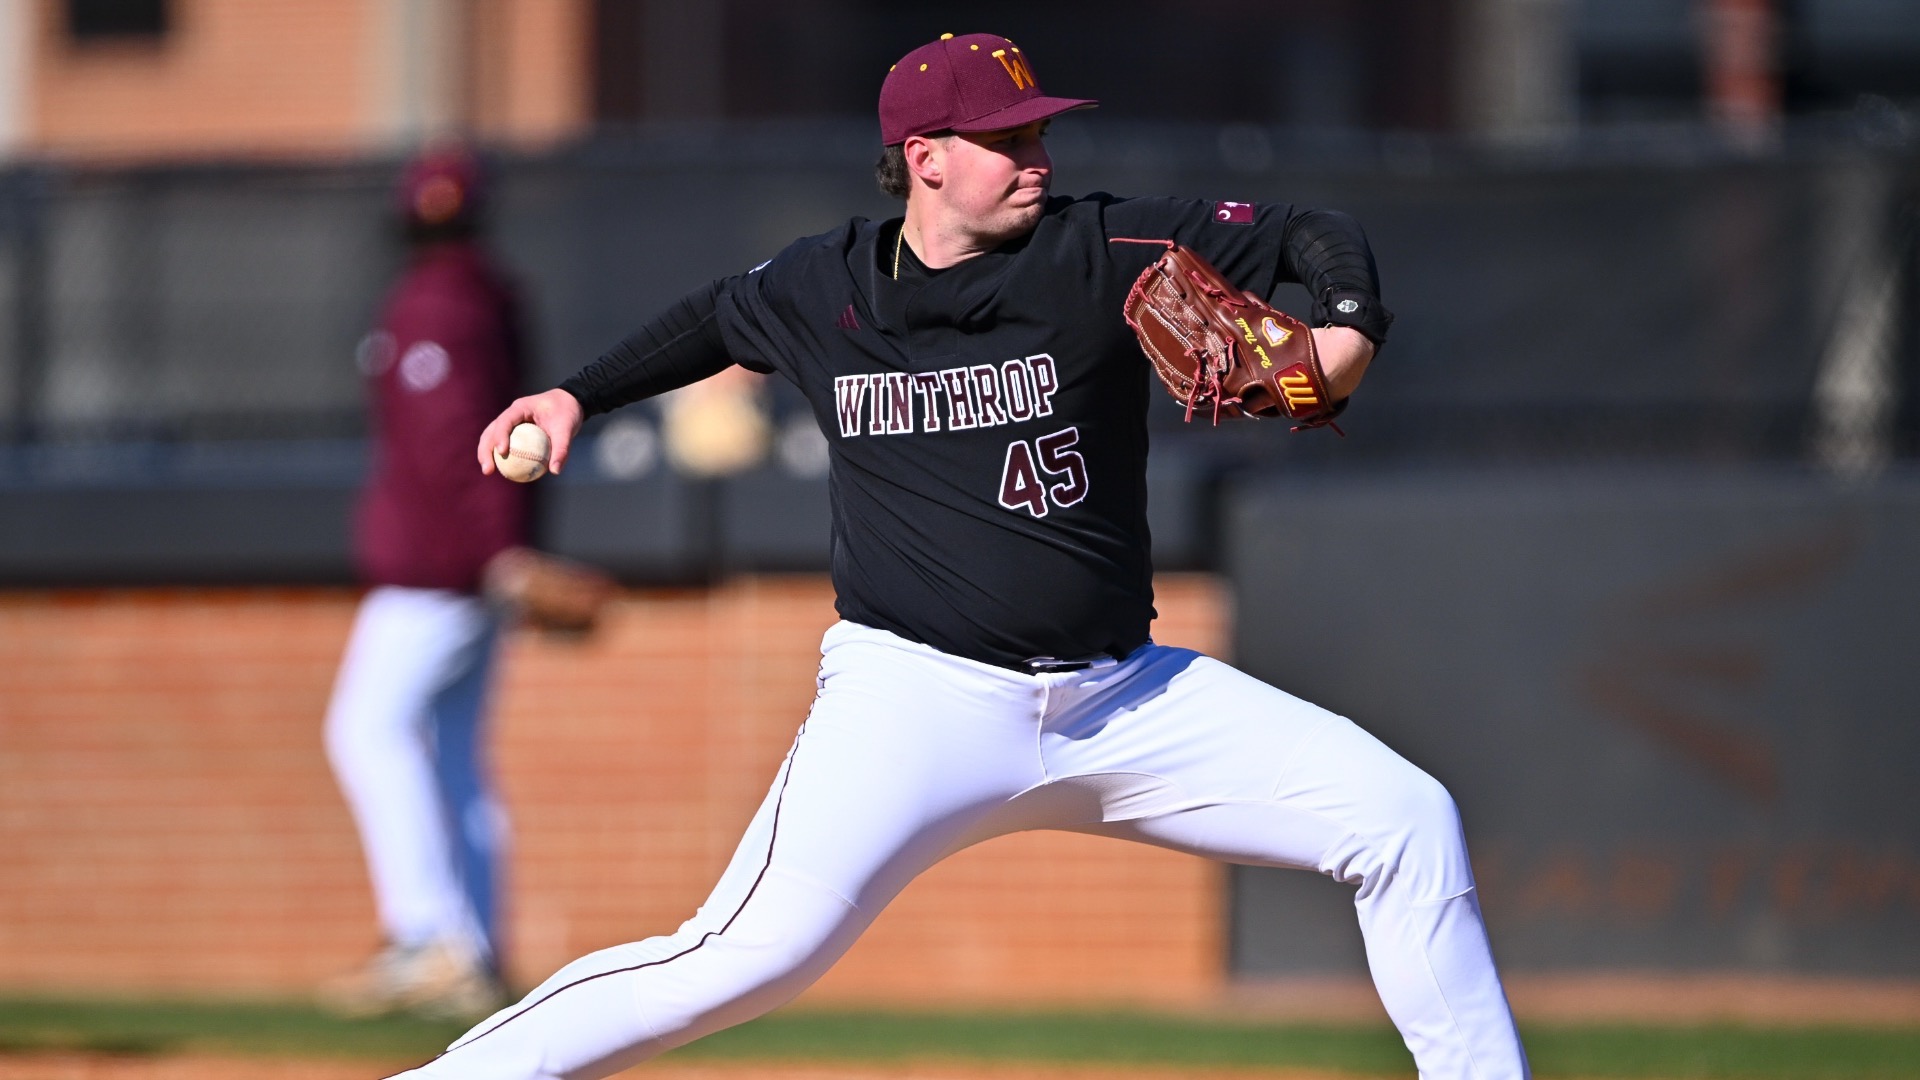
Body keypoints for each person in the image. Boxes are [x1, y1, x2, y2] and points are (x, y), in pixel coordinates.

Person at [398, 32, 1530, 1080]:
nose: (1040, 155)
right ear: (925, 157)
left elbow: (1307, 231)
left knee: (1403, 818)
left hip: (1121, 699)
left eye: (1040, 131)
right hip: (915, 702)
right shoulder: (825, 285)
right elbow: (710, 317)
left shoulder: (1099, 248)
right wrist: (575, 394)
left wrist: (1344, 330)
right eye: (1009, 138)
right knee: (740, 958)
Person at [320, 145, 528, 1020]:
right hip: (476, 566)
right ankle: (474, 950)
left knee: (363, 729)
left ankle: (428, 937)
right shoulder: (489, 294)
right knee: (453, 759)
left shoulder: (432, 303)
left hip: (439, 571)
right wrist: (506, 552)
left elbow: (451, 447)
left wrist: (489, 553)